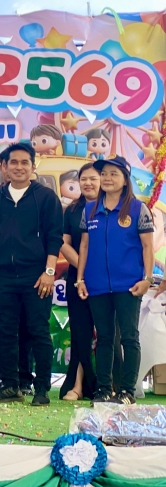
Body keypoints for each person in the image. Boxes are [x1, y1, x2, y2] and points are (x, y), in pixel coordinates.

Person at [0, 142, 62, 406]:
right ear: (4, 167)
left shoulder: (46, 198)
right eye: (13, 162)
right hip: (1, 277)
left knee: (38, 331)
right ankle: (10, 386)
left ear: (33, 166)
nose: (19, 167)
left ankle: (42, 389)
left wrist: (49, 272)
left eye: (25, 162)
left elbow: (54, 238)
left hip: (36, 276)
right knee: (4, 332)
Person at [77, 157, 154, 405]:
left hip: (129, 285)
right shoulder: (89, 209)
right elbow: (84, 246)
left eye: (114, 174)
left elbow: (147, 247)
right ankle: (103, 390)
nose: (107, 178)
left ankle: (127, 391)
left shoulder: (137, 209)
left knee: (129, 338)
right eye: (104, 174)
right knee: (104, 338)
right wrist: (80, 279)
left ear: (125, 179)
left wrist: (147, 279)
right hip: (97, 284)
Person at [59, 162, 100, 401]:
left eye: (93, 178)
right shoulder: (72, 210)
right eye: (83, 179)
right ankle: (77, 385)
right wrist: (83, 271)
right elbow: (63, 243)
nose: (88, 183)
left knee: (107, 336)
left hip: (107, 281)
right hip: (77, 279)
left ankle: (108, 385)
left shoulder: (112, 209)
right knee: (80, 334)